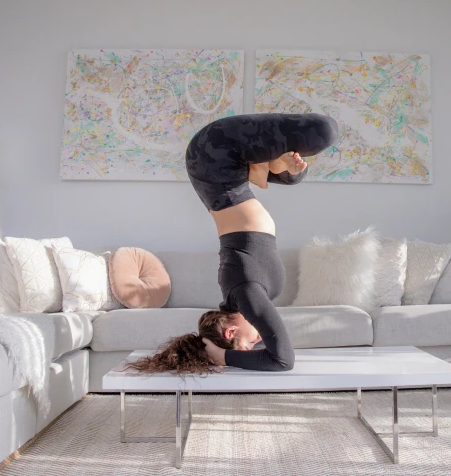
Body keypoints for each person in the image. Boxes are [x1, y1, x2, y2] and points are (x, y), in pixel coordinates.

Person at [128, 113, 339, 375]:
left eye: (250, 343)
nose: (258, 340)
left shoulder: (245, 293)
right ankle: (267, 166)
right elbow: (275, 351)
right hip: (227, 172)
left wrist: (224, 356)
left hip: (212, 156)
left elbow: (282, 360)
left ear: (231, 331)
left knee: (324, 131)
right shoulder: (245, 296)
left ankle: (265, 166)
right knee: (295, 175)